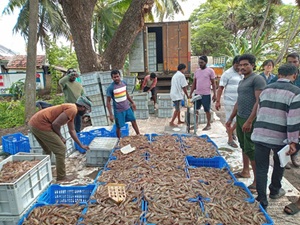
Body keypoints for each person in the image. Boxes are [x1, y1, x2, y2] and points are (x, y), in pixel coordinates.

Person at [251, 63, 300, 210]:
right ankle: (274, 190)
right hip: (280, 136)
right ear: (294, 76)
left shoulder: (266, 90)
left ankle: (261, 200)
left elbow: (260, 111)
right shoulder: (295, 92)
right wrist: (293, 141)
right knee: (280, 163)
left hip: (260, 134)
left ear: (278, 75)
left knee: (261, 168)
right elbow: (294, 120)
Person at [226, 54, 266, 190]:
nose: (242, 67)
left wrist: (250, 121)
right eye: (240, 65)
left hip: (251, 119)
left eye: (245, 65)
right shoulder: (242, 80)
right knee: (243, 146)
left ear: (253, 65)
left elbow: (259, 101)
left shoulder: (258, 79)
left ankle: (257, 181)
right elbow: (239, 101)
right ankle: (245, 171)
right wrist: (231, 117)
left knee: (251, 148)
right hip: (241, 117)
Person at [28, 96, 92, 182]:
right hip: (41, 124)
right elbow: (55, 125)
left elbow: (72, 130)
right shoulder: (72, 109)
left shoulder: (72, 109)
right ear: (82, 107)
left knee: (47, 150)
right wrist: (61, 137)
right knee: (61, 149)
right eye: (86, 110)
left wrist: (81, 145)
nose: (85, 112)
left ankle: (42, 172)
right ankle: (61, 177)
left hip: (34, 123)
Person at [270, 53, 300, 168]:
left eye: (295, 62)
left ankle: (294, 154)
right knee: (283, 135)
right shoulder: (279, 77)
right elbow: (270, 88)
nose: (292, 64)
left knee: (297, 135)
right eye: (289, 62)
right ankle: (283, 157)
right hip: (282, 111)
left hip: (297, 110)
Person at [215, 56, 242, 148]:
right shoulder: (227, 73)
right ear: (233, 64)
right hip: (230, 101)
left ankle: (231, 132)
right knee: (229, 120)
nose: (239, 67)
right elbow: (220, 88)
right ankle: (230, 139)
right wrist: (218, 101)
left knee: (238, 120)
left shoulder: (242, 73)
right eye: (237, 65)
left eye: (240, 65)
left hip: (240, 101)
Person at [106, 70, 140, 138]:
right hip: (118, 111)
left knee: (133, 121)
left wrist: (132, 102)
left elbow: (126, 94)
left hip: (127, 108)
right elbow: (108, 102)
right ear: (112, 78)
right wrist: (110, 114)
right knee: (118, 126)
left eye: (117, 76)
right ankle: (119, 140)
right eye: (114, 77)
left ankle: (139, 135)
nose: (116, 78)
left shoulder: (124, 83)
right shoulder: (110, 88)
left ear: (120, 76)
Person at [189, 55, 216, 131]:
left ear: (206, 62)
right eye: (199, 62)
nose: (200, 64)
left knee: (207, 110)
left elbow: (213, 84)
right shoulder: (197, 71)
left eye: (202, 62)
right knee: (196, 109)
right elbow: (194, 83)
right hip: (197, 93)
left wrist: (215, 94)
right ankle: (196, 124)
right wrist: (190, 93)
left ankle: (208, 124)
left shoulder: (210, 71)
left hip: (206, 94)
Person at [59, 68, 84, 133]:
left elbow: (82, 94)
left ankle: (78, 135)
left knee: (78, 123)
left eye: (74, 76)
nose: (73, 77)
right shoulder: (66, 84)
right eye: (72, 75)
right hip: (69, 106)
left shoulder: (78, 84)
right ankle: (72, 136)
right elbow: (61, 81)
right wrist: (70, 75)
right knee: (71, 122)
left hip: (78, 106)